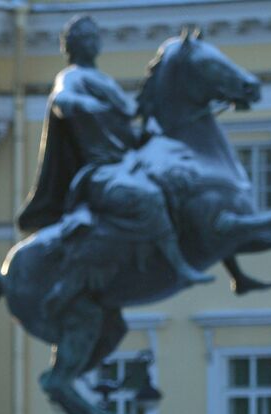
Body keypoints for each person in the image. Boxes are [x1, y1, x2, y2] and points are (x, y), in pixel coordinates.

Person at [17, 15, 212, 289]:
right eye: (87, 37)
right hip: (100, 174)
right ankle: (178, 265)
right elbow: (61, 99)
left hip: (126, 164)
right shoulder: (73, 77)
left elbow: (128, 124)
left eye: (95, 36)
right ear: (74, 45)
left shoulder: (104, 80)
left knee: (179, 176)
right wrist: (86, 104)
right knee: (150, 198)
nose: (94, 41)